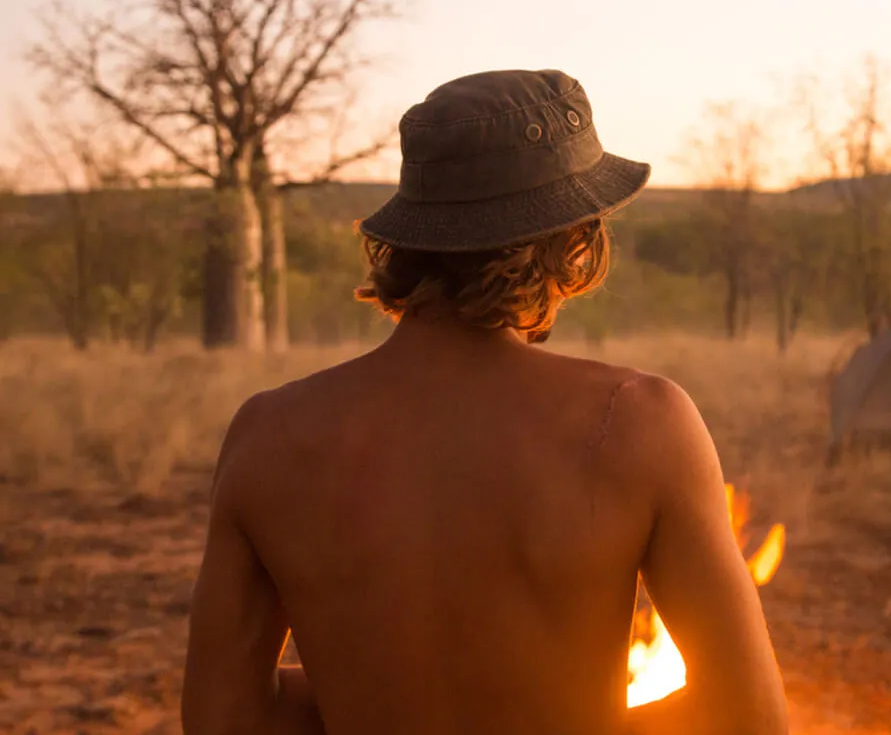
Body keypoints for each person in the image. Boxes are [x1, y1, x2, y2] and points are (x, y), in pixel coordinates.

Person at [181, 69, 788, 735]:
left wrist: (363, 689)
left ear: (410, 238)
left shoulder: (267, 435)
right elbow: (749, 719)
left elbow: (225, 719)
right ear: (575, 242)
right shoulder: (640, 421)